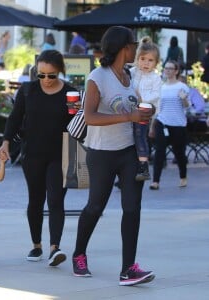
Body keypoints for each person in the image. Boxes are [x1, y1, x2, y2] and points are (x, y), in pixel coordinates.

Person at [71, 26, 155, 286]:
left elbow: (136, 105)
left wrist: (145, 111)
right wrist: (128, 116)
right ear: (124, 47)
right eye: (133, 45)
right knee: (95, 207)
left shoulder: (129, 76)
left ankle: (128, 269)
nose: (136, 50)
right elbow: (91, 117)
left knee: (132, 208)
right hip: (101, 153)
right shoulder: (98, 76)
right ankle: (79, 254)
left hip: (129, 152)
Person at [0, 50, 78, 267]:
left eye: (51, 75)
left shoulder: (71, 93)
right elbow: (14, 119)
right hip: (32, 154)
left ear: (60, 72)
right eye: (41, 75)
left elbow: (78, 128)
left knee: (55, 200)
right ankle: (36, 245)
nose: (46, 80)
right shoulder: (27, 91)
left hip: (61, 154)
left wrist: (78, 112)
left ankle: (55, 248)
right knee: (35, 200)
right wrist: (5, 142)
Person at [149, 61, 190, 190]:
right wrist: (152, 126)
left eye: (170, 68)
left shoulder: (182, 87)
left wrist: (183, 98)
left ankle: (183, 177)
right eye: (166, 68)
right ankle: (155, 181)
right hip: (162, 122)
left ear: (176, 71)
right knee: (159, 152)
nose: (167, 71)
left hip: (178, 124)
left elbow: (187, 106)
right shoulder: (160, 87)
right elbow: (157, 109)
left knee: (179, 154)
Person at [130, 36, 162, 181]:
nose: (146, 63)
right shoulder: (131, 72)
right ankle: (130, 165)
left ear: (156, 63)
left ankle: (143, 165)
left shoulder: (155, 78)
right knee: (128, 138)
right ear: (137, 58)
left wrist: (142, 98)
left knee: (139, 135)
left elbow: (156, 95)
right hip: (129, 111)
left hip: (144, 112)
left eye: (150, 60)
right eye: (143, 59)